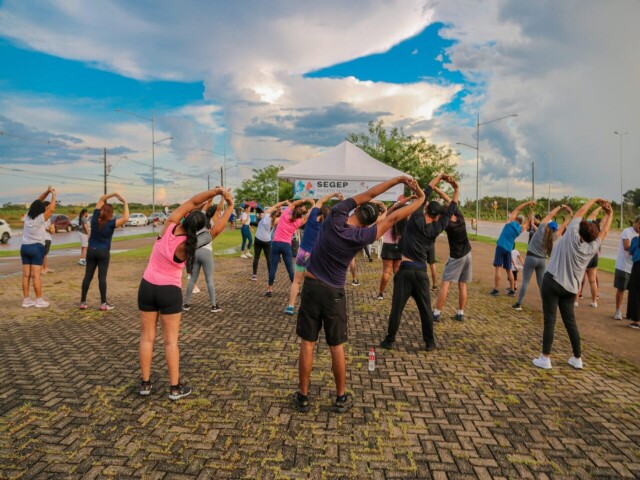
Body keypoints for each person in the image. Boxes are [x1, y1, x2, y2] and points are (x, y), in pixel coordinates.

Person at [293, 176, 423, 414]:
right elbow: (393, 218)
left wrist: (396, 181)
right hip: (334, 293)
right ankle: (341, 398)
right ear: (369, 223)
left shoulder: (336, 216)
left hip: (311, 287)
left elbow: (370, 193)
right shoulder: (361, 237)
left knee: (308, 343)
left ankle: (303, 396)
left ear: (358, 209)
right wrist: (421, 198)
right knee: (336, 346)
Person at [138, 187, 234, 400]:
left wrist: (214, 192)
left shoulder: (170, 225)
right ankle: (174, 388)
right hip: (169, 292)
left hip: (146, 287)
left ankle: (145, 384)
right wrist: (230, 206)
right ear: (199, 230)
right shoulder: (190, 244)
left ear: (186, 218)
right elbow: (216, 230)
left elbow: (192, 201)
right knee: (170, 341)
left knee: (147, 338)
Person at [532, 198, 613, 370]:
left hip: (553, 281)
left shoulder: (571, 235)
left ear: (579, 229)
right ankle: (577, 358)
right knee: (570, 323)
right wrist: (609, 213)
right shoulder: (591, 248)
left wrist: (594, 200)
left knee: (550, 320)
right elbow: (604, 232)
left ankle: (545, 357)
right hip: (571, 289)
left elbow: (580, 213)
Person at [379, 174, 458, 351]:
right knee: (425, 310)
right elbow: (452, 209)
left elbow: (425, 194)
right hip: (421, 272)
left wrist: (438, 177)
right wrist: (456, 189)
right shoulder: (437, 228)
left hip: (405, 270)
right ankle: (429, 342)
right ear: (438, 216)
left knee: (396, 309)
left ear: (427, 209)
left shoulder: (415, 218)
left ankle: (389, 341)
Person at [284, 192, 343, 315]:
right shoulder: (327, 226)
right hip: (315, 256)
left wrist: (334, 194)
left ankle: (290, 306)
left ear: (320, 212)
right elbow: (342, 214)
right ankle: (314, 308)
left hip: (302, 252)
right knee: (316, 283)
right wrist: (342, 201)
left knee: (296, 281)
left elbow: (321, 200)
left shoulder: (312, 217)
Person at [512, 205, 572, 311]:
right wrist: (569, 215)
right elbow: (563, 226)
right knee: (541, 284)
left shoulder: (541, 228)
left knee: (526, 281)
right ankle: (546, 306)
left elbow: (550, 215)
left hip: (531, 257)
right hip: (542, 260)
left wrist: (560, 207)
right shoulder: (553, 237)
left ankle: (519, 304)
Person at [79, 193, 129, 310]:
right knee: (102, 277)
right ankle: (103, 304)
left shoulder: (95, 218)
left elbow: (101, 198)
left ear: (101, 211)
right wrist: (125, 202)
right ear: (110, 214)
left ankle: (82, 302)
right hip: (103, 252)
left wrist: (114, 194)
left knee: (88, 277)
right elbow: (126, 218)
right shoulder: (111, 223)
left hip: (91, 250)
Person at [430, 185, 471, 322]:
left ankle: (436, 313)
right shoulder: (459, 216)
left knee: (445, 284)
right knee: (462, 284)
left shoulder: (446, 223)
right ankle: (460, 313)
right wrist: (437, 190)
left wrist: (433, 190)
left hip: (456, 256)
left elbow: (448, 203)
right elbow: (450, 199)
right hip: (467, 254)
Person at [183, 193, 228, 313]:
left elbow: (208, 203)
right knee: (209, 280)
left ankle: (186, 304)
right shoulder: (212, 221)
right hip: (207, 251)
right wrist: (223, 196)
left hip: (195, 251)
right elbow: (219, 208)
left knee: (192, 279)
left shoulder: (199, 216)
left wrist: (214, 194)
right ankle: (214, 306)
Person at [266, 198, 313, 297]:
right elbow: (308, 215)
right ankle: (297, 290)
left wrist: (304, 200)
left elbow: (294, 204)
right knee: (290, 269)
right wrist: (313, 204)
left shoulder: (284, 215)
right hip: (286, 245)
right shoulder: (298, 222)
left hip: (275, 244)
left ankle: (269, 289)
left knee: (273, 267)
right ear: (300, 215)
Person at [20, 186, 56, 308]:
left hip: (24, 248)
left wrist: (47, 192)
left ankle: (26, 300)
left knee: (26, 275)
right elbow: (51, 210)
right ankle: (39, 300)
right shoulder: (41, 218)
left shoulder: (27, 217)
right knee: (36, 275)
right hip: (36, 248)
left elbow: (38, 200)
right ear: (41, 209)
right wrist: (53, 195)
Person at [490, 200, 536, 296]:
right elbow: (528, 221)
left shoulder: (510, 221)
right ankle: (512, 290)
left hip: (501, 246)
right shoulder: (520, 229)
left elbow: (518, 208)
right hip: (509, 249)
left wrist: (528, 203)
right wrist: (531, 209)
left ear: (515, 218)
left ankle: (496, 289)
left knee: (498, 268)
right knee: (509, 270)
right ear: (521, 222)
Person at [376, 197, 415, 300]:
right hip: (400, 246)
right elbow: (413, 210)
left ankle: (381, 294)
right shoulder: (405, 219)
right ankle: (398, 294)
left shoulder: (389, 218)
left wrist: (396, 206)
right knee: (397, 272)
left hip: (388, 246)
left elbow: (388, 211)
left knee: (386, 272)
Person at [613, 215, 640, 320]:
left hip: (634, 267)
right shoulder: (627, 231)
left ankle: (630, 313)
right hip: (623, 265)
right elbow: (626, 247)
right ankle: (618, 311)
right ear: (636, 222)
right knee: (621, 288)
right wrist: (636, 246)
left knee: (633, 291)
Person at [252, 201, 286, 281]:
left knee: (256, 258)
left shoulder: (266, 215)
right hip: (267, 241)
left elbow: (274, 206)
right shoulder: (276, 221)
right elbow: (284, 215)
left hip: (258, 239)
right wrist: (285, 206)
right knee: (269, 259)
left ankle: (254, 275)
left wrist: (281, 203)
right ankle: (271, 277)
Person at [576, 207, 602, 308]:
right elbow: (593, 217)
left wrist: (598, 207)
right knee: (593, 280)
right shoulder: (596, 231)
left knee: (579, 279)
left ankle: (576, 300)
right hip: (594, 255)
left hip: (585, 255)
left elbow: (591, 216)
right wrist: (600, 208)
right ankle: (594, 301)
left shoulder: (584, 231)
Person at [627, 235, 640, 329]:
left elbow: (631, 251)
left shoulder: (636, 239)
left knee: (635, 292)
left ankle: (637, 320)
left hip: (638, 266)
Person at [41, 201, 54, 274]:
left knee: (45, 254)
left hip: (48, 237)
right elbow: (43, 227)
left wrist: (52, 229)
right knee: (42, 254)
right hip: (43, 237)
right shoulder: (42, 215)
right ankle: (42, 269)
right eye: (49, 206)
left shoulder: (48, 216)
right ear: (46, 206)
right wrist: (49, 229)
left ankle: (45, 268)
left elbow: (49, 226)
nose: (50, 207)